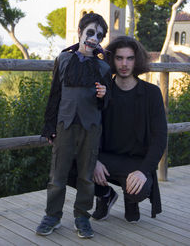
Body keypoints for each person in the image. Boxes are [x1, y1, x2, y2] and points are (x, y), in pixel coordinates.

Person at [68, 35, 167, 223]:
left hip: (136, 163)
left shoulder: (151, 93)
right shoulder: (102, 92)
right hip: (106, 160)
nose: (124, 64)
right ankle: (105, 194)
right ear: (111, 60)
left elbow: (160, 138)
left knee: (141, 190)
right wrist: (94, 160)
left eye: (130, 58)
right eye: (119, 58)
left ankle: (131, 199)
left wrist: (143, 171)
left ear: (137, 61)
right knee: (67, 165)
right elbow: (87, 130)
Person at [36, 13, 111, 238]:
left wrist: (103, 95)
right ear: (79, 32)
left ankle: (82, 216)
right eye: (90, 32)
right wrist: (50, 125)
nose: (94, 38)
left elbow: (107, 104)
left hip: (91, 128)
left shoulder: (103, 68)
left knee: (86, 176)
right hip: (64, 125)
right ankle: (52, 215)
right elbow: (54, 96)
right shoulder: (64, 59)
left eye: (99, 35)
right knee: (57, 175)